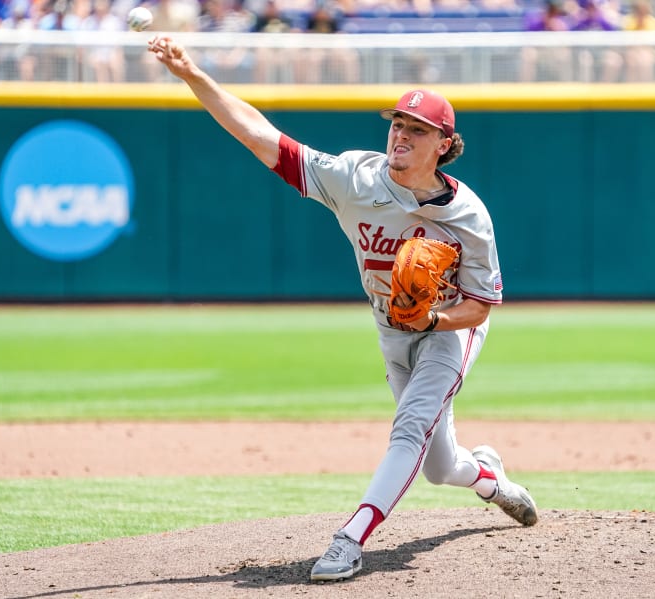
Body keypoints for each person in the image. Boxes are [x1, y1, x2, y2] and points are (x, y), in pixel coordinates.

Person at [146, 35, 538, 582]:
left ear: (444, 144)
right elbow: (262, 137)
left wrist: (433, 320)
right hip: (391, 331)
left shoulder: (468, 215)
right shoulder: (355, 177)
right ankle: (492, 479)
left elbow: (479, 306)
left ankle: (348, 539)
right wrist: (192, 75)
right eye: (397, 124)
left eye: (416, 129)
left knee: (408, 430)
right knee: (439, 465)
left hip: (449, 330)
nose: (400, 134)